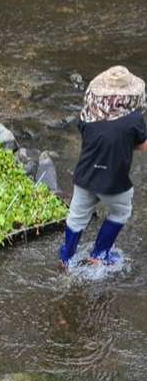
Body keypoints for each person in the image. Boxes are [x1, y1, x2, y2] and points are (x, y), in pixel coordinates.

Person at [59, 66, 147, 269]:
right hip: (114, 181)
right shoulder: (134, 119)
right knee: (120, 211)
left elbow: (94, 138)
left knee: (77, 215)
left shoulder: (87, 115)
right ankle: (99, 253)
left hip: (85, 176)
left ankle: (67, 255)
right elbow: (142, 145)